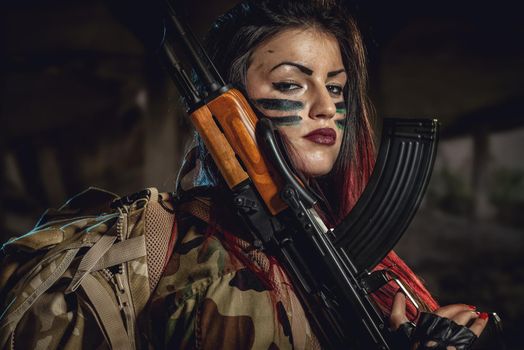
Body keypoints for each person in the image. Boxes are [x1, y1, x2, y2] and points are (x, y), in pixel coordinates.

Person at [145, 0, 488, 349]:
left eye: (336, 87)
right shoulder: (225, 280)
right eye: (291, 84)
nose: (326, 107)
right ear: (235, 107)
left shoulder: (311, 231)